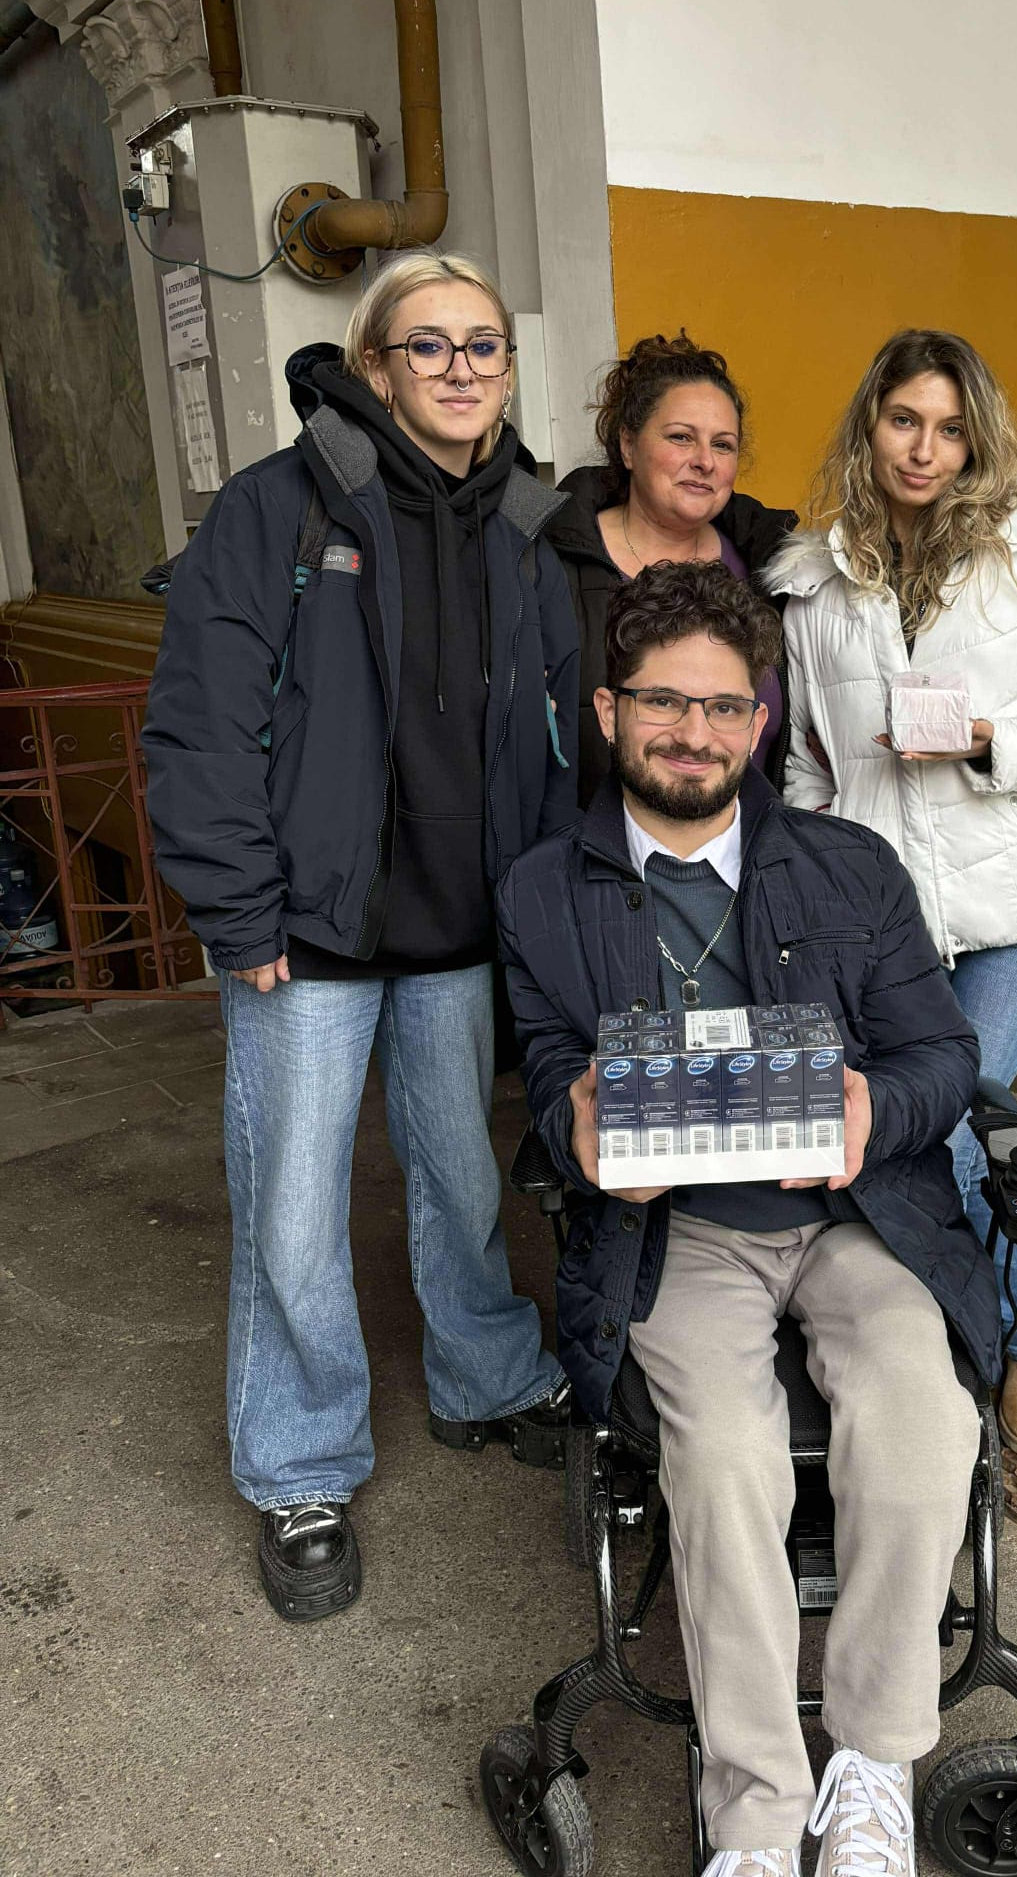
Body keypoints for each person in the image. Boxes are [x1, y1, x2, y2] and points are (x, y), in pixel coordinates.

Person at [499, 561, 999, 1877]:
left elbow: (943, 1055)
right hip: (678, 1235)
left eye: (724, 707)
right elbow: (546, 1061)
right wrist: (578, 1126)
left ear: (761, 723)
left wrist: (874, 1111)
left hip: (854, 1216)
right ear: (609, 712)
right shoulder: (543, 890)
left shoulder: (850, 866)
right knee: (724, 1458)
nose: (693, 732)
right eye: (663, 702)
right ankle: (762, 1811)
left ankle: (874, 1765)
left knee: (923, 1412)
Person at [143, 252, 578, 1622]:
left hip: (459, 923)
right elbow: (202, 722)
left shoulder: (525, 520)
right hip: (307, 928)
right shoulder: (278, 507)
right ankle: (299, 1464)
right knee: (292, 1201)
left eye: (484, 344)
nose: (461, 367)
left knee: (461, 1177)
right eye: (428, 344)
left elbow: (561, 726)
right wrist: (238, 907)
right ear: (376, 365)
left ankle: (485, 1377)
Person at [767, 330, 1017, 1462]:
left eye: (949, 429)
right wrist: (824, 881)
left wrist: (993, 743)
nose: (924, 450)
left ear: (977, 440)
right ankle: (966, 1336)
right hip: (889, 927)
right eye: (904, 422)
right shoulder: (818, 584)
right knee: (919, 1135)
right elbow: (809, 769)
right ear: (869, 425)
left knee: (953, 1129)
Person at [549, 332, 796, 802]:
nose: (704, 461)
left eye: (723, 445)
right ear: (628, 445)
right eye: (681, 437)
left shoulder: (772, 571)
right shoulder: (554, 564)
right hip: (592, 841)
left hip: (749, 840)